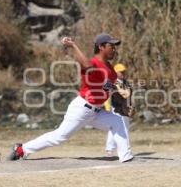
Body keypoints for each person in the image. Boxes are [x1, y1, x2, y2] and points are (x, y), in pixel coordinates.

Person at [8, 33, 134, 163]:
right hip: (82, 109)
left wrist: (122, 105)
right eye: (111, 46)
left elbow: (109, 88)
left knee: (117, 121)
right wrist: (73, 45)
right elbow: (87, 66)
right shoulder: (93, 63)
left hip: (97, 112)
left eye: (115, 46)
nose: (114, 49)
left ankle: (126, 156)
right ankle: (21, 150)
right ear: (101, 47)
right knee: (59, 137)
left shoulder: (111, 70)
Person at [104, 63, 133, 157]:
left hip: (124, 109)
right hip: (115, 108)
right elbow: (107, 95)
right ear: (116, 72)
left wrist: (130, 106)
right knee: (117, 128)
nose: (123, 73)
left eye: (124, 71)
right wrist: (107, 107)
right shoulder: (112, 82)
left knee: (124, 128)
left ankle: (120, 149)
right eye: (121, 71)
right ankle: (111, 149)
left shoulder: (125, 82)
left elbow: (128, 96)